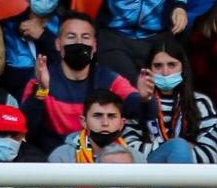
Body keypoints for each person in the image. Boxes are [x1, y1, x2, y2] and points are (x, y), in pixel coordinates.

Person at [19, 11, 150, 155]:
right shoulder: (41, 78)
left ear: (94, 46)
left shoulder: (109, 79)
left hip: (102, 159)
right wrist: (42, 90)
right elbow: (26, 127)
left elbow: (143, 111)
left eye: (85, 37)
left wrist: (145, 99)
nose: (79, 43)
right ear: (58, 44)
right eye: (71, 37)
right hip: (56, 163)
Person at [122, 36, 217, 164]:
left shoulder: (201, 103)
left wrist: (174, 152)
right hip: (148, 176)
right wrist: (179, 149)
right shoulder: (137, 101)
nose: (165, 72)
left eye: (172, 65)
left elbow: (211, 156)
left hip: (190, 177)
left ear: (183, 67)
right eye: (158, 66)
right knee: (179, 147)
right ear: (148, 69)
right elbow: (128, 150)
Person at [0, 0, 61, 96]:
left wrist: (43, 36)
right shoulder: (7, 28)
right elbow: (4, 78)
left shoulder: (69, 27)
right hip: (18, 104)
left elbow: (74, 68)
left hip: (60, 104)